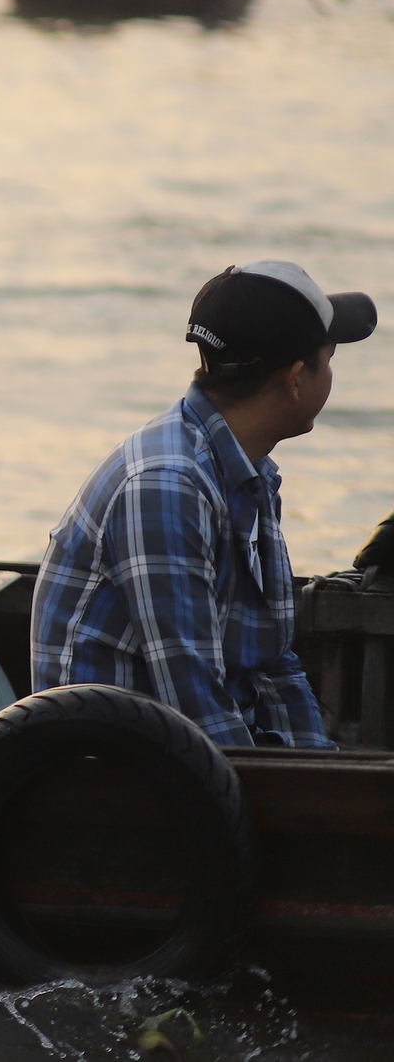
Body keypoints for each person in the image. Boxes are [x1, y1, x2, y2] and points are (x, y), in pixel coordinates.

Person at [32, 262, 378, 749]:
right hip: (121, 776)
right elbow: (193, 704)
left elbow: (271, 659)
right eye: (331, 357)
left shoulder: (248, 473)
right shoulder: (166, 487)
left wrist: (322, 766)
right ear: (297, 379)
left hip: (189, 764)